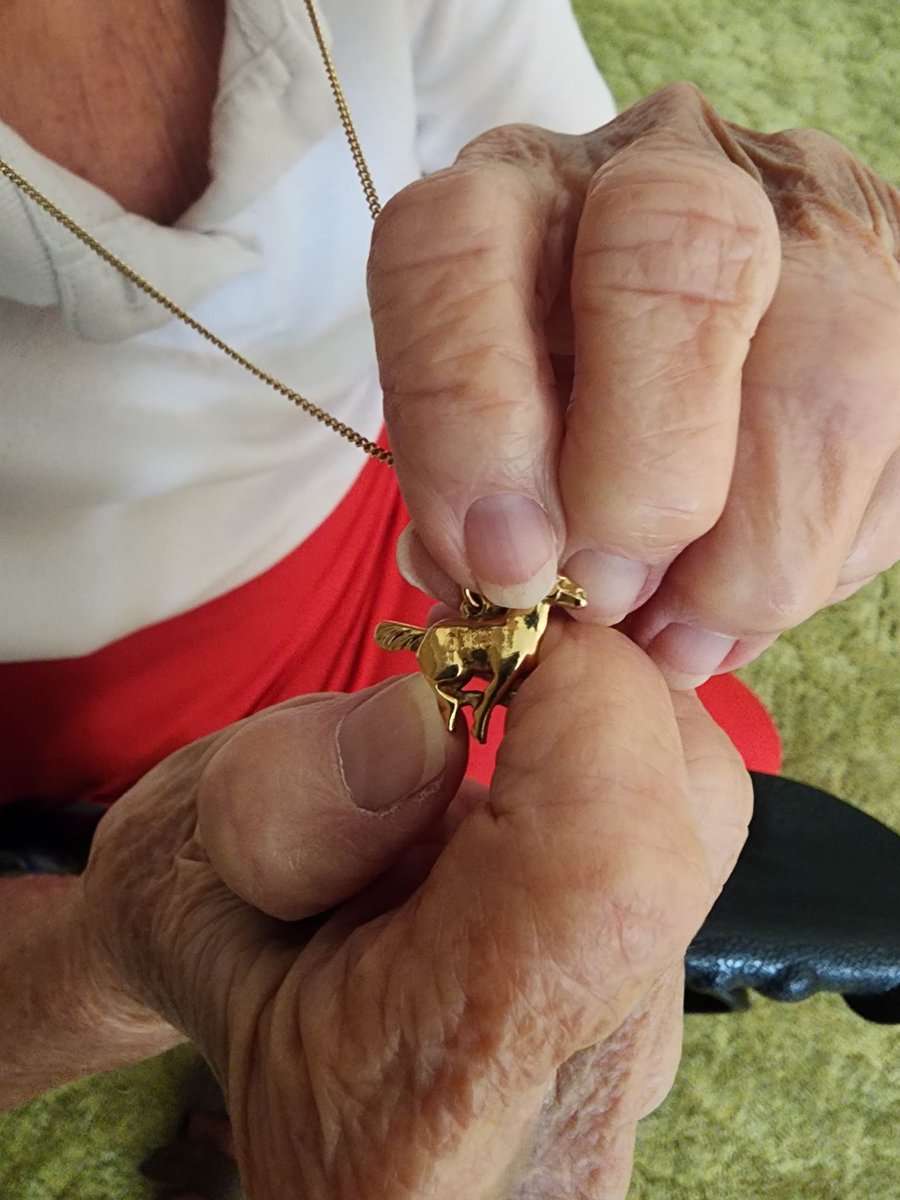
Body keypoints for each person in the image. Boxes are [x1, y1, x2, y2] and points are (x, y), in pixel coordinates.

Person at [0, 1, 897, 1197]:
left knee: (663, 795)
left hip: (420, 514)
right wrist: (116, 958)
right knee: (387, 868)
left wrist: (652, 248)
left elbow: (547, 136)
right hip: (102, 691)